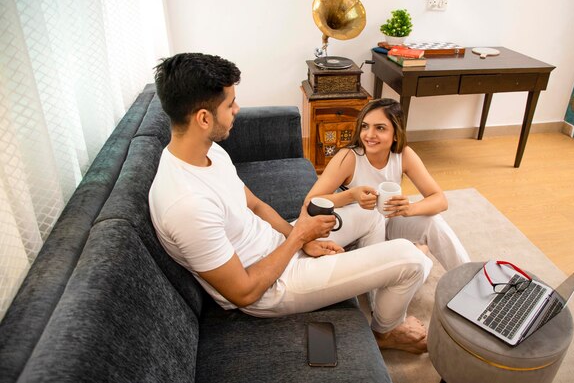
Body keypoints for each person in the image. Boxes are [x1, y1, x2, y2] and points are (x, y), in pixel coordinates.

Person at [148, 53, 433, 354]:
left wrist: (299, 239)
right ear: (204, 119)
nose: (237, 109)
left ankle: (377, 294)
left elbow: (256, 206)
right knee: (410, 259)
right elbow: (244, 292)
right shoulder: (186, 204)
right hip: (273, 288)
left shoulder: (211, 153)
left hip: (281, 247)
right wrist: (299, 237)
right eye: (230, 104)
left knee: (371, 215)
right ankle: (385, 332)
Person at [305, 98, 470, 271]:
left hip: (390, 222)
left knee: (433, 222)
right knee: (400, 268)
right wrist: (351, 195)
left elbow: (440, 200)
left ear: (396, 134)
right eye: (365, 126)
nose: (369, 135)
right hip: (358, 229)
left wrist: (410, 209)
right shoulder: (348, 158)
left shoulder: (403, 155)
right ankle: (418, 250)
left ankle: (470, 279)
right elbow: (311, 201)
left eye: (380, 128)